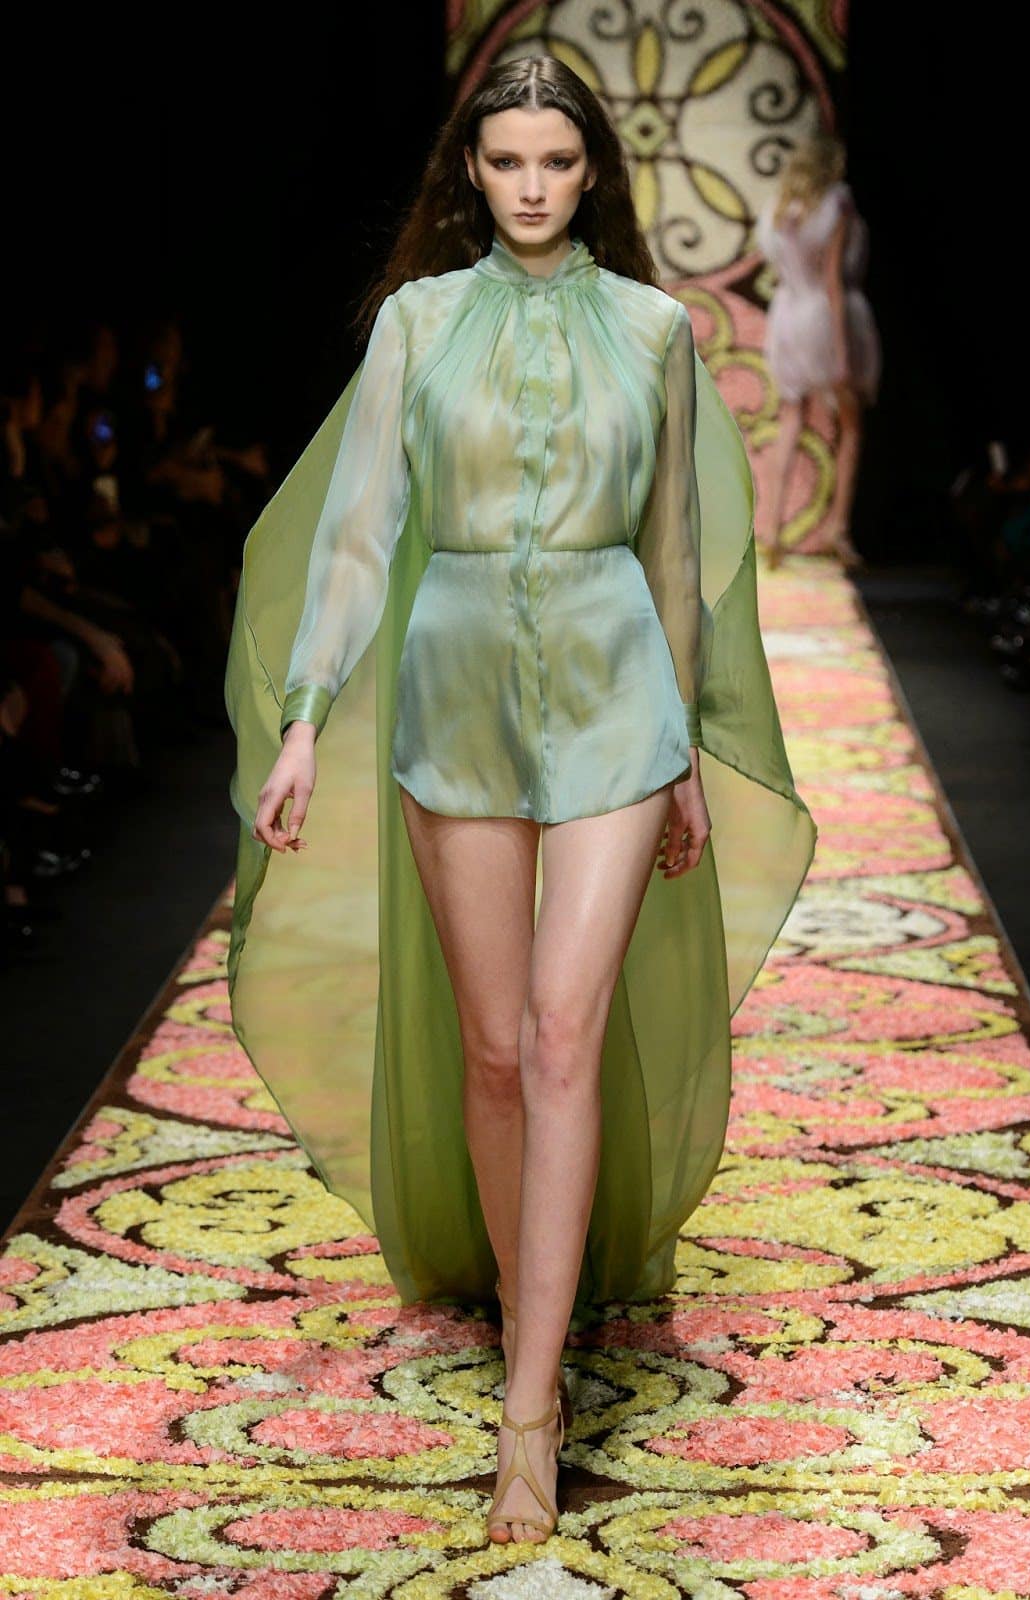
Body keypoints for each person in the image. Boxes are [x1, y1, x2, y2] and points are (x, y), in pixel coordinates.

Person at [224, 55, 817, 1546]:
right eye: (507, 162)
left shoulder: (656, 329)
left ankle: (533, 1408)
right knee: (495, 1052)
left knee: (561, 1035)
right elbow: (358, 533)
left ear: (591, 169)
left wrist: (687, 752)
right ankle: (516, 1305)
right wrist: (304, 719)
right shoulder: (418, 324)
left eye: (557, 160)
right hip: (458, 688)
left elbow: (673, 553)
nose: (534, 186)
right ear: (471, 173)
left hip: (619, 696)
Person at [755, 132, 881, 570]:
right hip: (823, 315)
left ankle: (771, 527)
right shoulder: (835, 203)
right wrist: (844, 354)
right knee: (851, 423)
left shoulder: (780, 207)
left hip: (786, 314)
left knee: (791, 417)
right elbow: (832, 280)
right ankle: (837, 527)